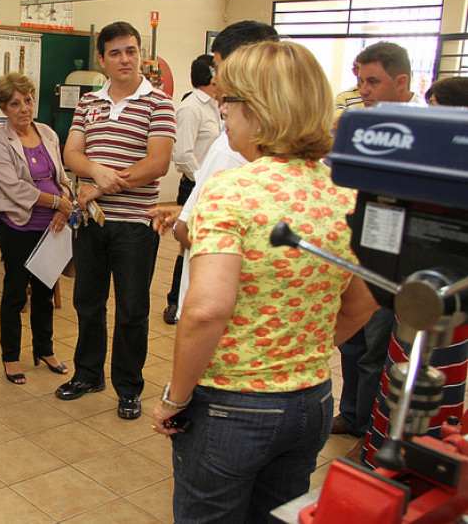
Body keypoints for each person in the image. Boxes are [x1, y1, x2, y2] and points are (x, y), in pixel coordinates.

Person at [150, 40, 378, 523]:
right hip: (311, 403)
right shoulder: (344, 192)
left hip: (233, 407)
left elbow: (207, 308)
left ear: (259, 109)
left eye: (228, 101)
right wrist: (304, 348)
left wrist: (177, 397)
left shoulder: (232, 189)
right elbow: (365, 301)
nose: (223, 111)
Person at [54, 21, 175, 420]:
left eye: (132, 51)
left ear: (141, 55)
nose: (125, 59)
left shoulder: (159, 103)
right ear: (102, 60)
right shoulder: (89, 102)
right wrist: (97, 175)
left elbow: (157, 163)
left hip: (136, 226)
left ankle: (128, 387)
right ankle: (88, 374)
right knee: (88, 302)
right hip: (91, 222)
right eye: (116, 53)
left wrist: (100, 187)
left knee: (131, 310)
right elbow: (71, 153)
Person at [361, 76, 468, 466]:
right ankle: (379, 455)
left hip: (451, 305)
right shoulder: (421, 164)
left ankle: (428, 461)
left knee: (437, 383)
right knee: (396, 372)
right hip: (410, 292)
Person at [149, 21, 279, 321]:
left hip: (221, 312)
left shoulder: (235, 145)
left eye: (219, 68)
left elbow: (195, 232)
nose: (216, 79)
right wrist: (188, 209)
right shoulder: (240, 133)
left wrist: (187, 220)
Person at [332, 41, 425, 446]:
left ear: (401, 81)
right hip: (357, 245)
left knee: (376, 349)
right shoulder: (363, 123)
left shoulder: (427, 128)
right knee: (351, 342)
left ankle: (372, 431)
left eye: (373, 81)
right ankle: (351, 414)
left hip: (398, 256)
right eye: (360, 81)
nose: (363, 90)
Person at [0, 73, 74, 385]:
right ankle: (11, 356)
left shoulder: (47, 133)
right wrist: (56, 203)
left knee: (45, 291)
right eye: (15, 103)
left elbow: (63, 177)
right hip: (17, 225)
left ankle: (44, 349)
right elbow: (12, 187)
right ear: (3, 108)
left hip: (52, 225)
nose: (24, 108)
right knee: (15, 291)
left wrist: (66, 202)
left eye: (28, 100)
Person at [163, 54, 219, 325]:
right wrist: (204, 182)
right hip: (195, 185)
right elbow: (183, 155)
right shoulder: (191, 107)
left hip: (215, 188)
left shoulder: (217, 106)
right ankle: (175, 301)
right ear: (210, 76)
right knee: (186, 246)